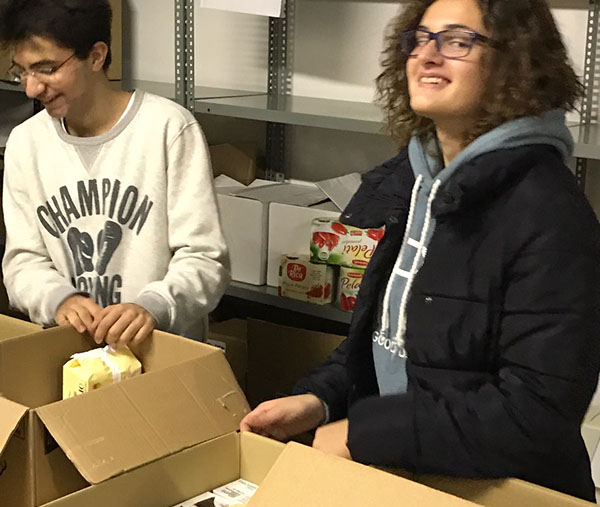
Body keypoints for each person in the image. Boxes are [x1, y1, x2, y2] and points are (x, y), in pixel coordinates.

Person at [241, 0, 600, 501]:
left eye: (457, 41)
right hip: (409, 472)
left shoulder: (549, 212)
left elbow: (534, 414)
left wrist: (366, 431)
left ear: (514, 61)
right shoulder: (417, 181)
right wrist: (319, 398)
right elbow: (391, 341)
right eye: (420, 38)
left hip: (499, 491)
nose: (427, 55)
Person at [0, 0, 230, 347]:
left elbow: (205, 258)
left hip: (162, 352)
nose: (32, 89)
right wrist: (59, 300)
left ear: (95, 56)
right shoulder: (25, 143)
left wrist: (153, 307)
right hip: (71, 353)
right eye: (21, 72)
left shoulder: (168, 129)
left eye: (46, 69)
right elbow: (23, 261)